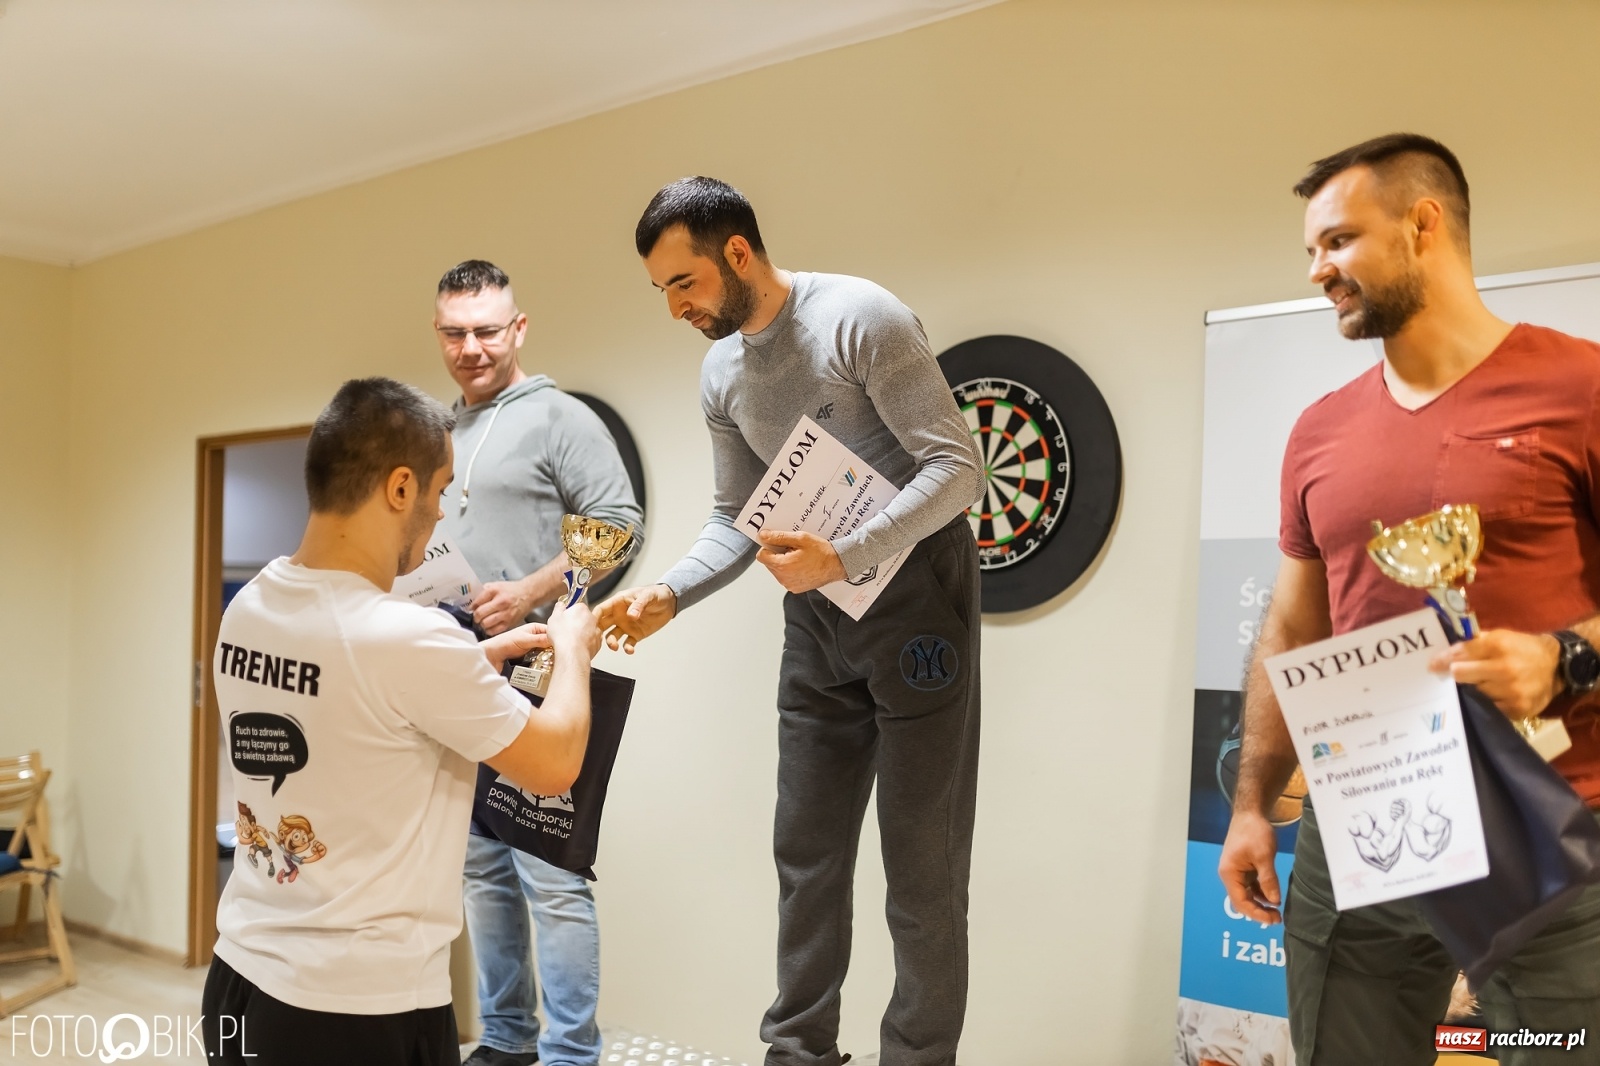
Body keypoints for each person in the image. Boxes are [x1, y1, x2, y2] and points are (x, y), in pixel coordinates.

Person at [1217, 134, 1600, 1064]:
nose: (1318, 270)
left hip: (1552, 838)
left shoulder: (1581, 388)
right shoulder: (1319, 432)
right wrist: (1252, 803)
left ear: (1424, 225)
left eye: (1338, 241)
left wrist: (1565, 657)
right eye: (1312, 249)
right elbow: (1293, 628)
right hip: (1367, 824)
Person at [597, 177, 986, 1066]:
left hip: (917, 603)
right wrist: (669, 595)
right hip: (816, 615)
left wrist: (844, 555)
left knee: (923, 870)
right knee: (805, 856)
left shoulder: (861, 318)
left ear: (737, 253)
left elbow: (957, 469)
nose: (675, 307)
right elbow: (736, 516)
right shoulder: (721, 373)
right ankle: (797, 1053)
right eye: (661, 290)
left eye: (684, 282)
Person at [202, 377, 600, 1066]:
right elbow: (556, 761)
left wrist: (469, 661)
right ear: (399, 488)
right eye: (440, 491)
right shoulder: (408, 637)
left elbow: (348, 695)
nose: (441, 513)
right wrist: (572, 649)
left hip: (238, 980)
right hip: (354, 1012)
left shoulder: (253, 604)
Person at [431, 259, 643, 1066]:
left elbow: (619, 525)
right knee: (482, 869)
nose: (472, 348)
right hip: (457, 670)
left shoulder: (560, 417)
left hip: (538, 677)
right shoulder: (440, 430)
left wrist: (528, 591)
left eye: (488, 331)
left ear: (518, 329)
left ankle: (570, 1055)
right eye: (455, 333)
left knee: (551, 877)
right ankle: (507, 1041)